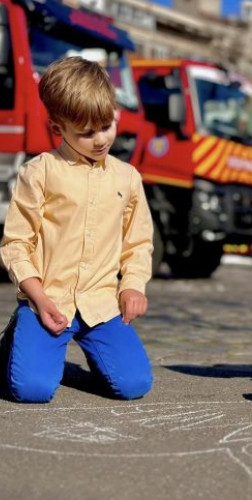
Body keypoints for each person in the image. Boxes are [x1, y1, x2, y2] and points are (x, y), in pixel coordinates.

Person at [0, 56, 154, 403]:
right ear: (58, 128)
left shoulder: (127, 178)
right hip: (48, 301)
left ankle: (99, 354)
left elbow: (138, 242)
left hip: (101, 304)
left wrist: (132, 286)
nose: (100, 139)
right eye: (86, 133)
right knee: (32, 390)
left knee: (134, 385)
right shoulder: (38, 172)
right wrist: (37, 298)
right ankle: (14, 340)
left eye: (106, 125)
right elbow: (15, 244)